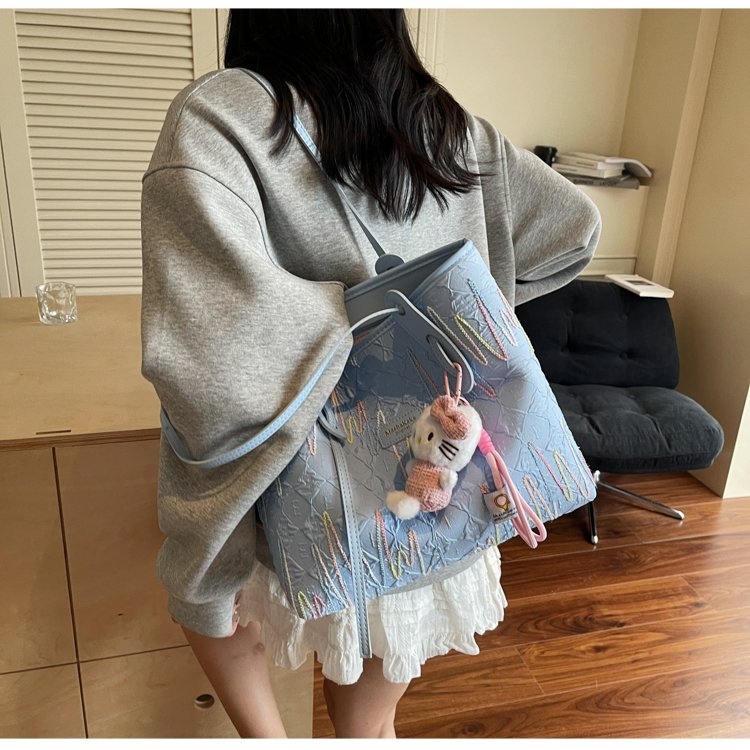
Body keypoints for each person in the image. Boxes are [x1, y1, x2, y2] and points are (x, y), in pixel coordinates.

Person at [140, 9, 601, 739]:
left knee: (225, 626)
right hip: (437, 493)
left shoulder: (226, 116)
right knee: (368, 728)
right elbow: (574, 230)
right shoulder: (448, 128)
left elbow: (212, 368)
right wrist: (458, 304)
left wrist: (344, 325)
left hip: (300, 497)